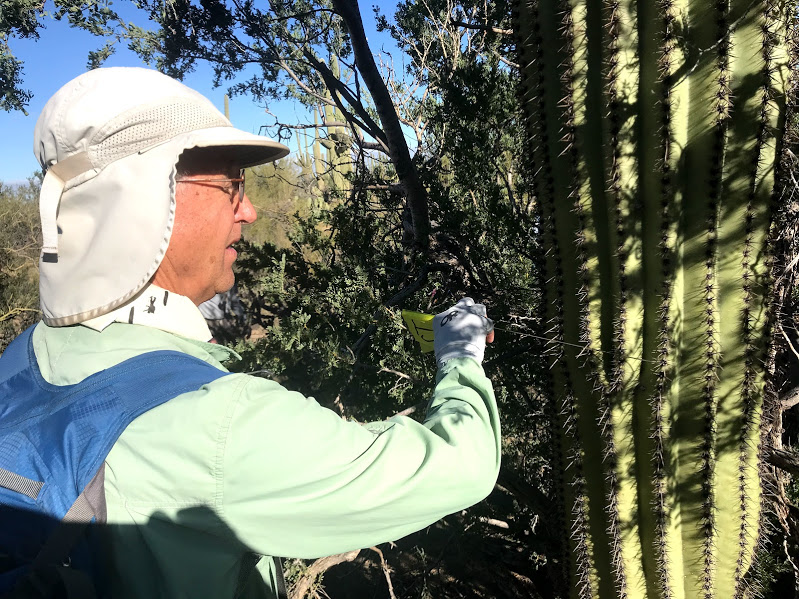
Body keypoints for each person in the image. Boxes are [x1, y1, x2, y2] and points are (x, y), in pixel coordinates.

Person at [1, 67, 500, 598]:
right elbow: (456, 465)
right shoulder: (218, 423)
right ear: (144, 200)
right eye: (232, 185)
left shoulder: (24, 354)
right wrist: (461, 354)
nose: (249, 210)